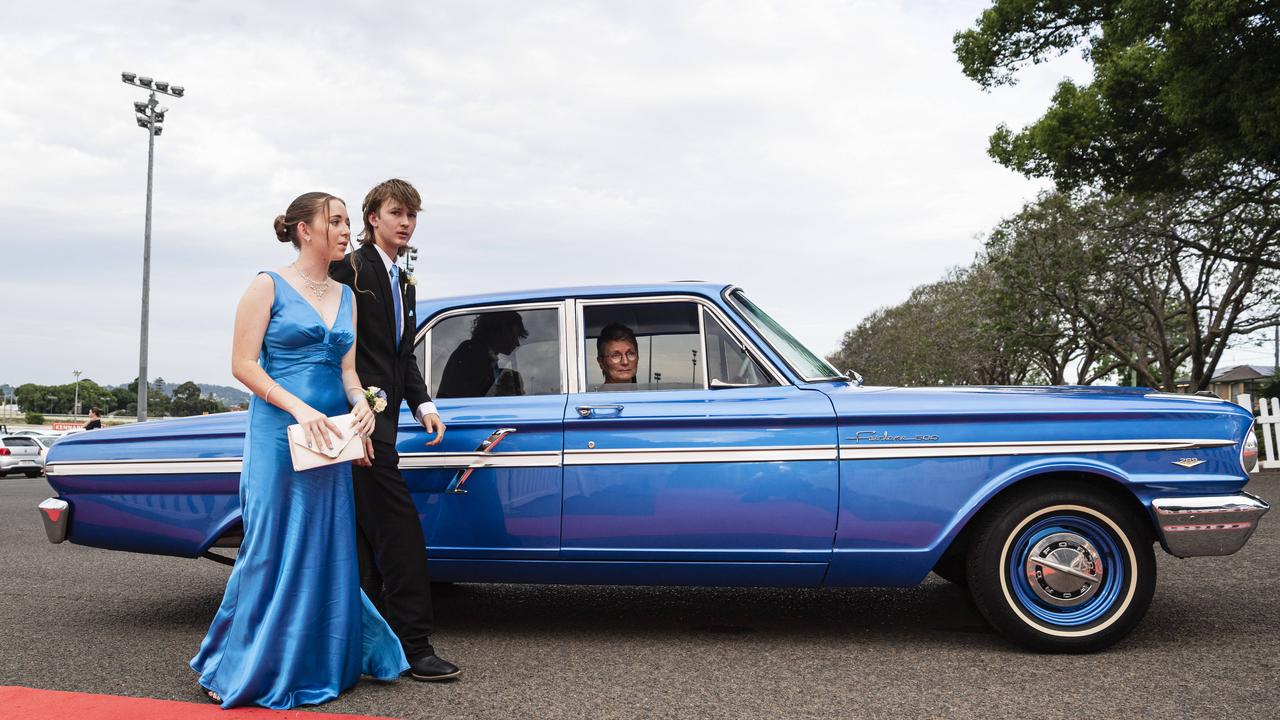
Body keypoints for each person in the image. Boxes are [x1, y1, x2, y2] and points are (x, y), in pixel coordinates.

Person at [190, 192, 408, 709]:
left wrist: (362, 406)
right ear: (303, 230)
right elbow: (242, 364)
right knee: (270, 544)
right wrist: (298, 408)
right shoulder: (266, 284)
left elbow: (349, 372)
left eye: (346, 222)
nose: (344, 230)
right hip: (276, 431)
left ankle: (317, 661)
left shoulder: (348, 295)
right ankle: (238, 660)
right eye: (334, 221)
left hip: (330, 435)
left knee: (324, 544)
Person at [329, 179, 459, 681]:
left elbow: (400, 356)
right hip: (355, 426)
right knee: (401, 535)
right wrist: (353, 422)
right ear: (373, 217)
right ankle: (416, 646)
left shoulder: (403, 279)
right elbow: (336, 349)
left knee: (362, 544)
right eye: (396, 212)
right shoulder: (351, 268)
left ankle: (364, 649)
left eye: (412, 215)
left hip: (380, 427)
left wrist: (423, 403)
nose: (405, 222)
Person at [437, 311, 528, 398]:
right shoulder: (472, 353)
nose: (517, 343)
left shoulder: (482, 355)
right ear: (500, 329)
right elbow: (473, 397)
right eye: (515, 335)